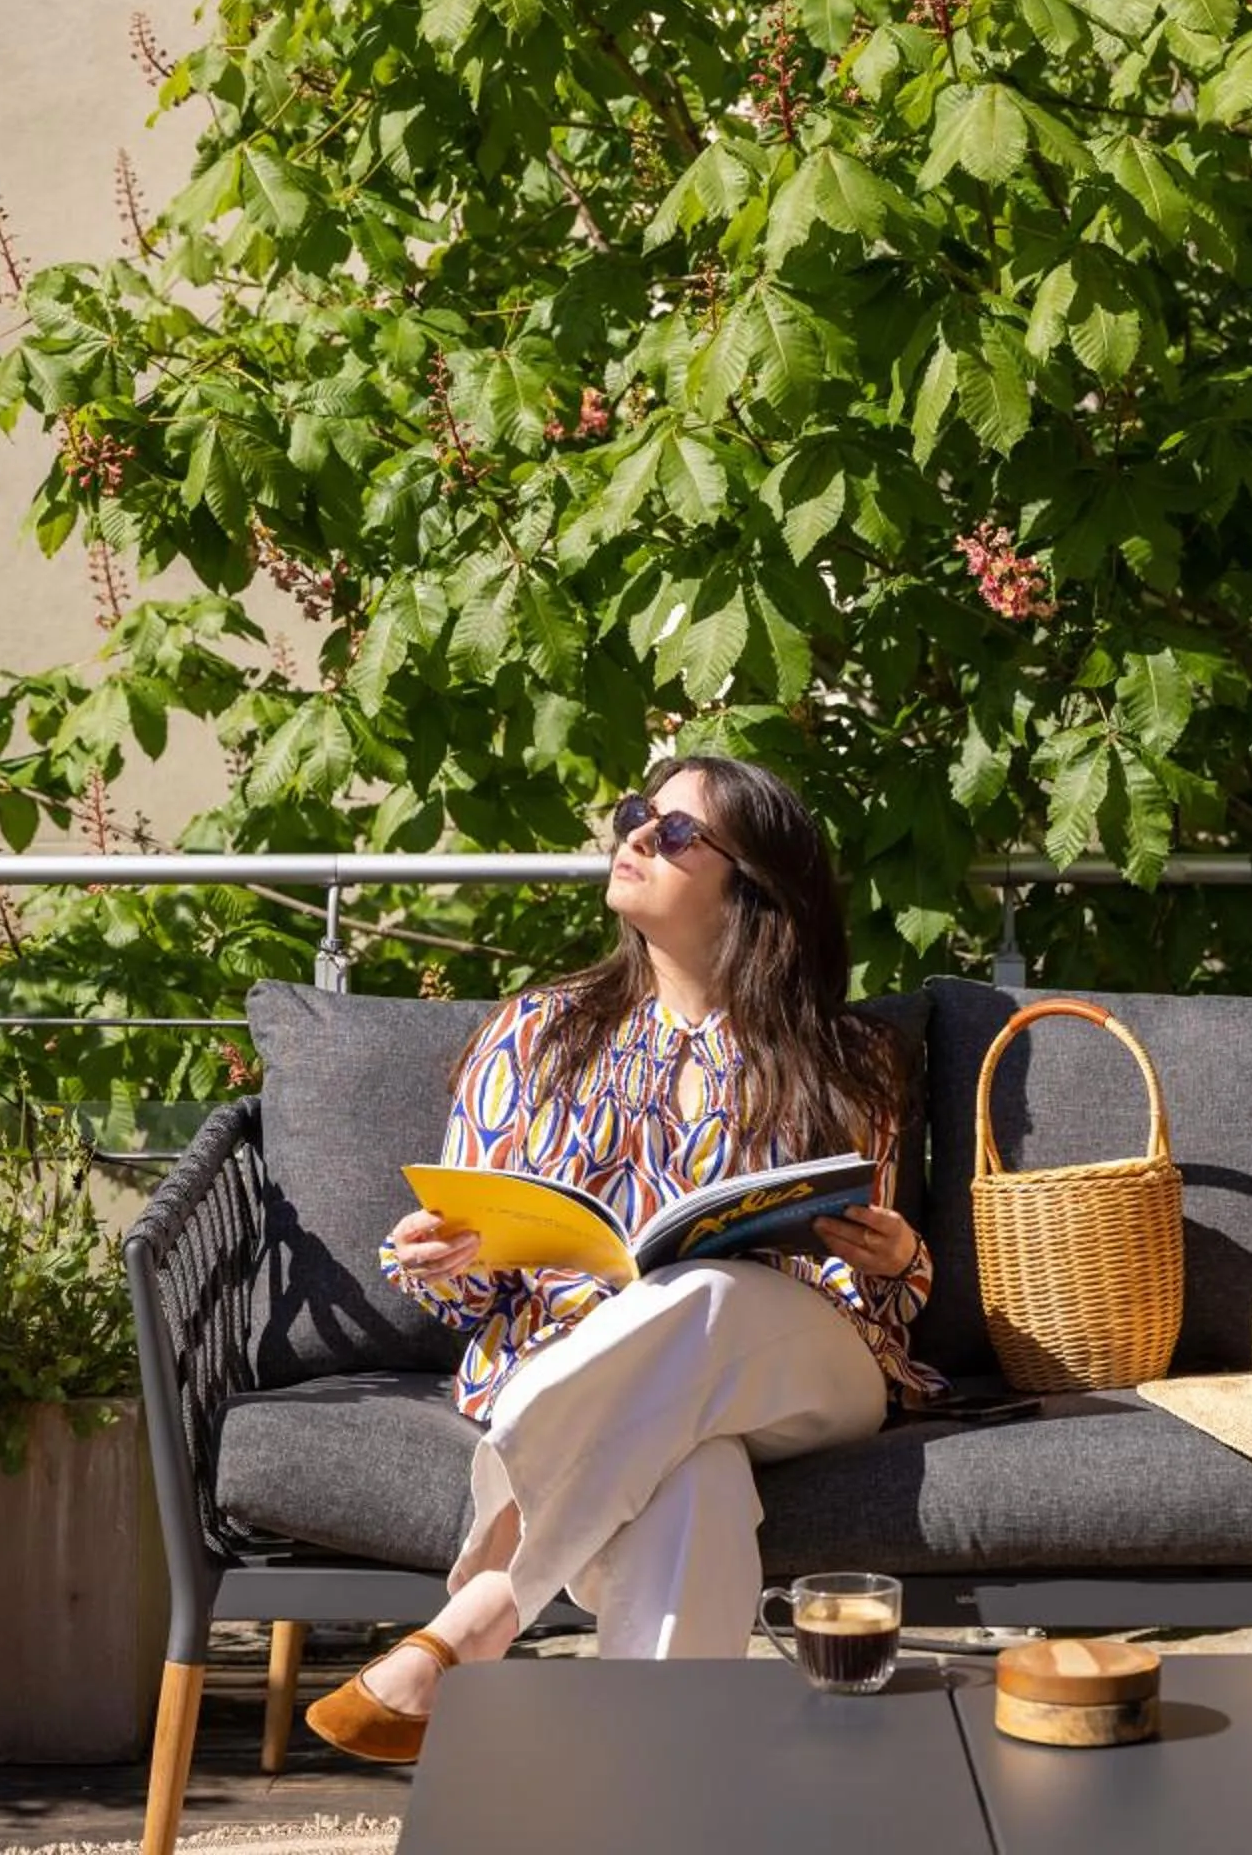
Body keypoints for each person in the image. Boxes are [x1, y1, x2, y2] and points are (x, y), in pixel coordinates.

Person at [302, 755, 943, 1764]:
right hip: (591, 1366)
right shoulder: (534, 1035)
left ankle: (487, 1599)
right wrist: (442, 1253)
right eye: (638, 814)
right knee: (696, 1486)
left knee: (710, 1289)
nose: (638, 835)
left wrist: (899, 1255)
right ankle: (662, 1806)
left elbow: (882, 1297)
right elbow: (479, 1282)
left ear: (755, 885)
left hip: (801, 1366)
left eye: (677, 831)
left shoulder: (844, 1056)